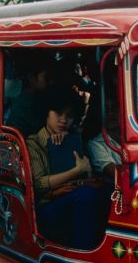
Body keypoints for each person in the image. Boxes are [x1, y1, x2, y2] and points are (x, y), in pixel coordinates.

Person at [27, 89, 110, 250]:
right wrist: (76, 171)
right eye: (58, 113)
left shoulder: (73, 139)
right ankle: (82, 253)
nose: (63, 119)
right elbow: (39, 184)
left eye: (69, 115)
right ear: (47, 112)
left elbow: (88, 174)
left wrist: (69, 146)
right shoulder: (34, 143)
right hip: (46, 206)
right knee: (86, 195)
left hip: (73, 194)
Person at [6, 53, 58, 135]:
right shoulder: (26, 101)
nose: (52, 82)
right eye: (47, 78)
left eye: (53, 77)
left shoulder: (36, 96)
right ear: (31, 77)